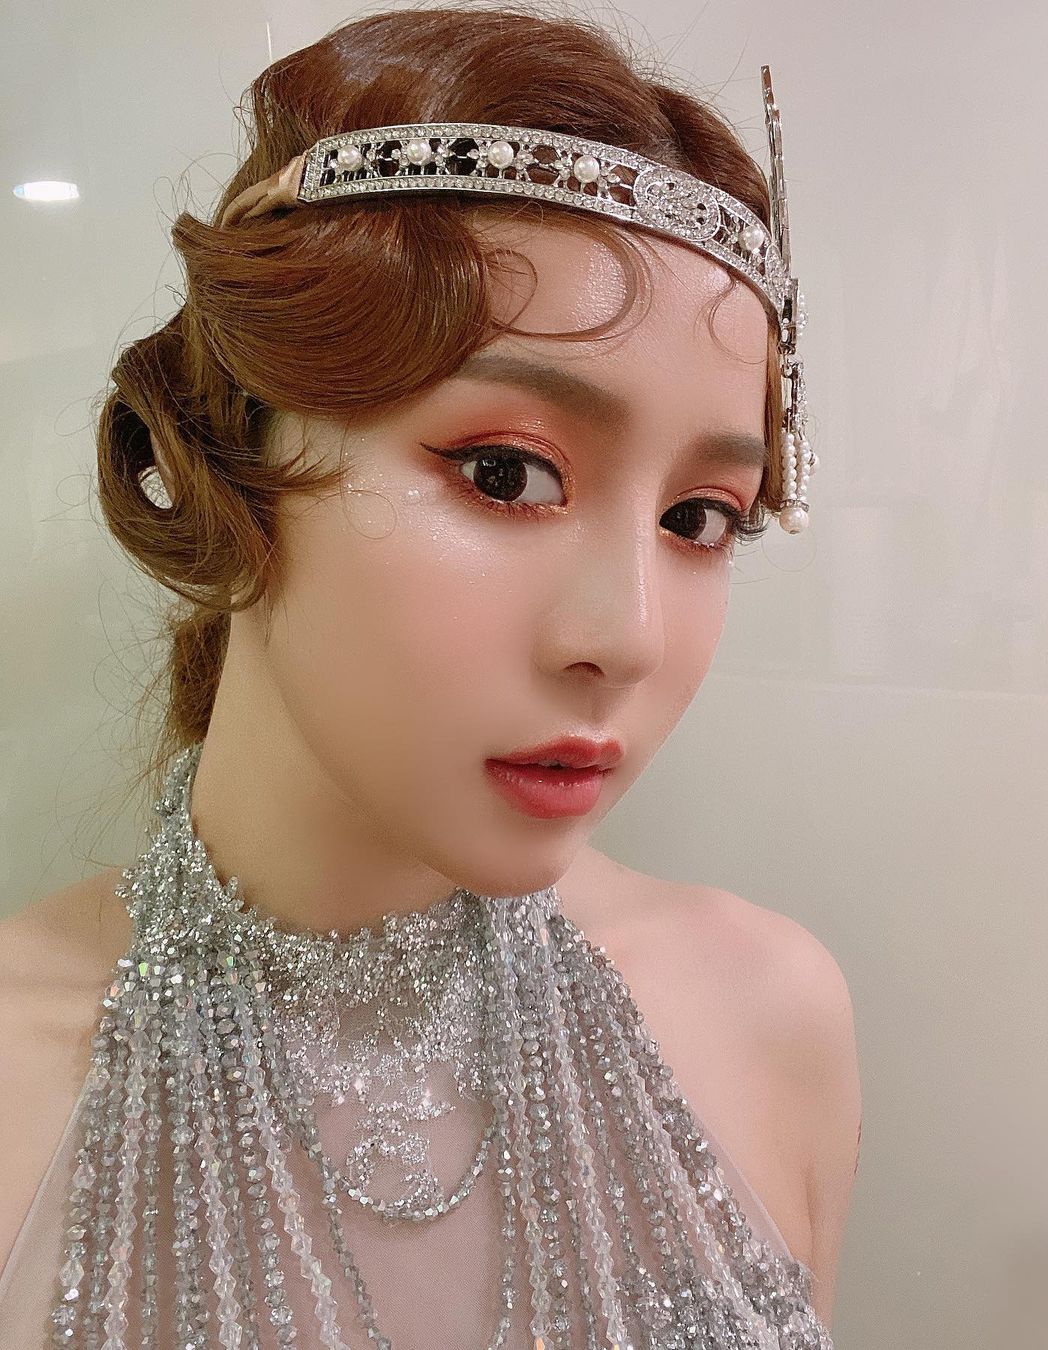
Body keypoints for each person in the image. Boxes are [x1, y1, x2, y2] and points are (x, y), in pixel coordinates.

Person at [0, 5, 861, 1346]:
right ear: (239, 456)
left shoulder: (769, 1018)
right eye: (507, 473)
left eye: (700, 517)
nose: (627, 635)